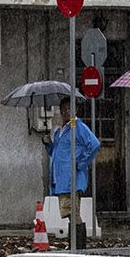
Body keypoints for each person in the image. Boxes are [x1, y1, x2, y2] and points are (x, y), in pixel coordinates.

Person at [45, 97, 101, 236]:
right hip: (62, 178)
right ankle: (74, 243)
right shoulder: (61, 131)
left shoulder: (78, 127)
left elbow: (94, 144)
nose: (66, 111)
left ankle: (78, 244)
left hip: (72, 178)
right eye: (63, 109)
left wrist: (81, 163)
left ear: (76, 110)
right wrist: (48, 144)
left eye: (69, 108)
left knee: (73, 212)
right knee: (69, 212)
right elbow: (56, 153)